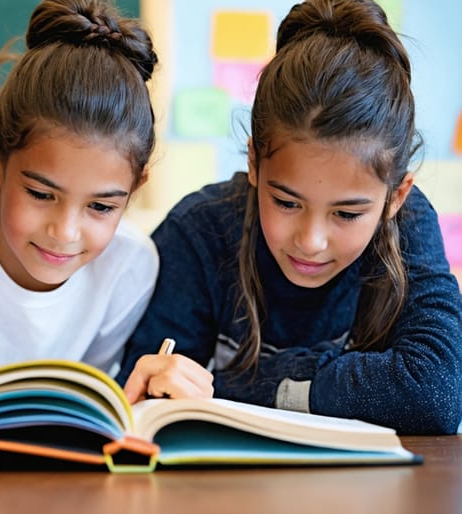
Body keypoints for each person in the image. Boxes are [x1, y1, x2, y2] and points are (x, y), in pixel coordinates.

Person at [118, 0, 462, 434]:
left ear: (395, 196)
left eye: (347, 213)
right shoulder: (202, 230)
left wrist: (232, 389)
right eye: (286, 202)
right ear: (255, 166)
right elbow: (146, 393)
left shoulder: (407, 223)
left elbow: (435, 393)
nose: (311, 241)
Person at [0, 0, 214, 393]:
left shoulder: (131, 267)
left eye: (101, 207)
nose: (65, 231)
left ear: (135, 190)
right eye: (41, 194)